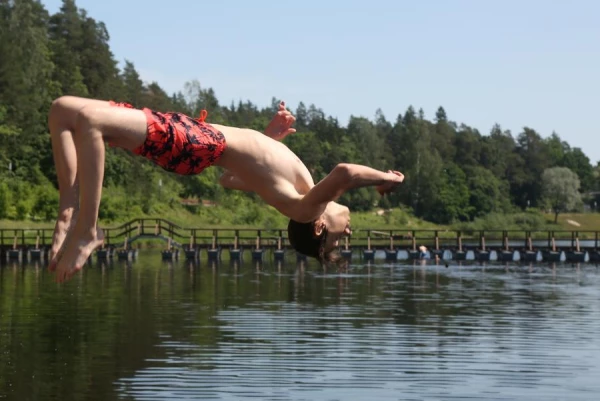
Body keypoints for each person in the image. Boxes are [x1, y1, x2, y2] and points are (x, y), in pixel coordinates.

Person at [47, 96, 405, 283]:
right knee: (63, 111)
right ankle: (69, 210)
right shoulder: (298, 195)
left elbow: (344, 173)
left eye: (338, 240)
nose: (349, 232)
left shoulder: (306, 208)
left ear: (318, 227)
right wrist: (270, 138)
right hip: (199, 139)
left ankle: (88, 230)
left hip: (199, 143)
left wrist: (384, 178)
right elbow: (230, 178)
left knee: (91, 122)